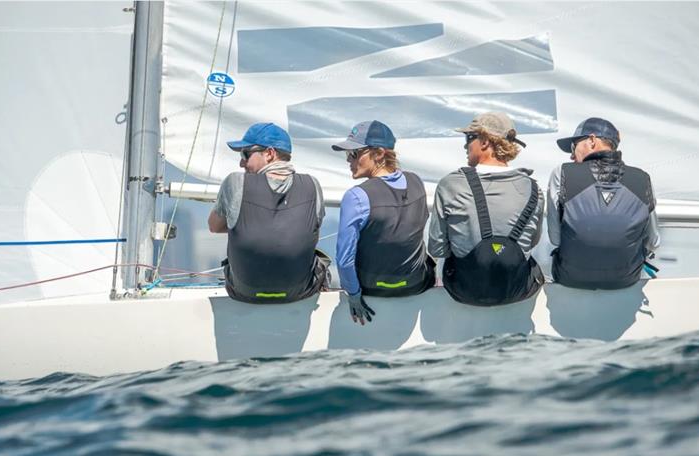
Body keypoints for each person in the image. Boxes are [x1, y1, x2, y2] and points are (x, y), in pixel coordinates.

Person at [428, 112, 544, 306]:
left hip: (465, 290)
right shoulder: (533, 188)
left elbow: (437, 248)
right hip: (516, 290)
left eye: (469, 138)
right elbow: (532, 242)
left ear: (484, 142)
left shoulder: (451, 184)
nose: (465, 145)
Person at [208, 122, 330, 303]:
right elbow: (308, 234)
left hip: (244, 291)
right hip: (298, 291)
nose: (241, 162)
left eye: (246, 154)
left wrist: (245, 224)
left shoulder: (236, 182)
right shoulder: (312, 185)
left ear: (270, 154)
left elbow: (214, 226)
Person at [332, 120, 435, 324]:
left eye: (354, 154)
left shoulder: (356, 196)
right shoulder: (416, 182)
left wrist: (353, 294)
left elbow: (344, 260)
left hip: (372, 288)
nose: (348, 160)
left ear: (379, 153)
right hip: (415, 284)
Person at [548, 117, 660, 289]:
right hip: (626, 279)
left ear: (592, 140)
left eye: (573, 146)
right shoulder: (642, 178)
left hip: (571, 277)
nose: (571, 155)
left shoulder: (562, 173)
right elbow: (653, 241)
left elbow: (555, 239)